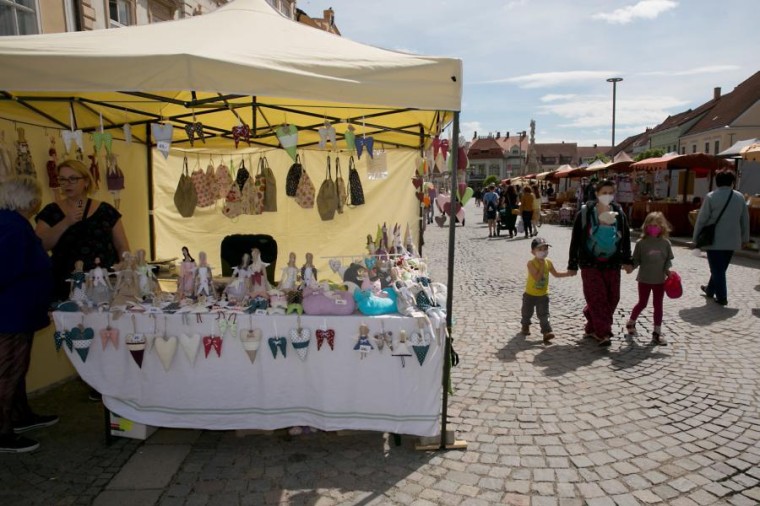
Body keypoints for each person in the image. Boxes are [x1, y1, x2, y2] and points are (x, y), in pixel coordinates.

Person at [0, 176, 58, 453]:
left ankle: (20, 415)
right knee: (8, 370)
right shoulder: (12, 227)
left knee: (17, 369)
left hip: (18, 311)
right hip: (10, 314)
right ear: (30, 201)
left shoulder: (14, 224)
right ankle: (2, 431)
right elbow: (5, 270)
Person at [35, 159, 130, 302]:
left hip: (103, 284)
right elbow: (39, 246)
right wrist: (65, 223)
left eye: (73, 179)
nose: (67, 184)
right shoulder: (51, 211)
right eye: (63, 179)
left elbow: (122, 246)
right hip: (66, 286)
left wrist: (125, 268)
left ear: (86, 181)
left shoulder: (105, 210)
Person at [567, 179, 633, 347]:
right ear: (596, 194)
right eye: (604, 192)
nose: (608, 196)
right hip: (590, 262)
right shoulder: (585, 212)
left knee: (613, 297)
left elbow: (625, 237)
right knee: (598, 297)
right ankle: (603, 333)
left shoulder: (619, 211)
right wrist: (572, 264)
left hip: (612, 262)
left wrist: (627, 260)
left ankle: (592, 322)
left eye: (611, 192)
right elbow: (576, 238)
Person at [692, 170, 750, 306]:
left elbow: (702, 219)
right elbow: (745, 219)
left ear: (717, 182)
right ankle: (710, 289)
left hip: (714, 240)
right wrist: (745, 238)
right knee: (721, 268)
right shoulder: (739, 197)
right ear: (732, 182)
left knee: (717, 269)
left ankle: (722, 296)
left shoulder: (711, 196)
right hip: (732, 240)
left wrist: (696, 238)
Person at [625, 212, 674, 346]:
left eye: (657, 225)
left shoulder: (665, 243)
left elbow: (668, 261)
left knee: (658, 305)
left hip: (659, 280)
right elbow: (636, 260)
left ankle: (657, 333)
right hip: (644, 279)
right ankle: (631, 322)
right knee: (642, 303)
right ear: (646, 226)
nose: (654, 228)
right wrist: (630, 268)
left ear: (662, 226)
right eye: (651, 225)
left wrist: (668, 271)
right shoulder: (641, 243)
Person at [521, 237, 573, 344]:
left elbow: (556, 274)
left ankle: (546, 332)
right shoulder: (530, 263)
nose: (543, 252)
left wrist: (568, 274)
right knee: (527, 312)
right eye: (540, 249)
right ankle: (525, 326)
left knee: (544, 314)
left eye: (545, 249)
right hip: (530, 294)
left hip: (543, 295)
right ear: (533, 252)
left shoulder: (548, 262)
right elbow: (537, 278)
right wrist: (541, 265)